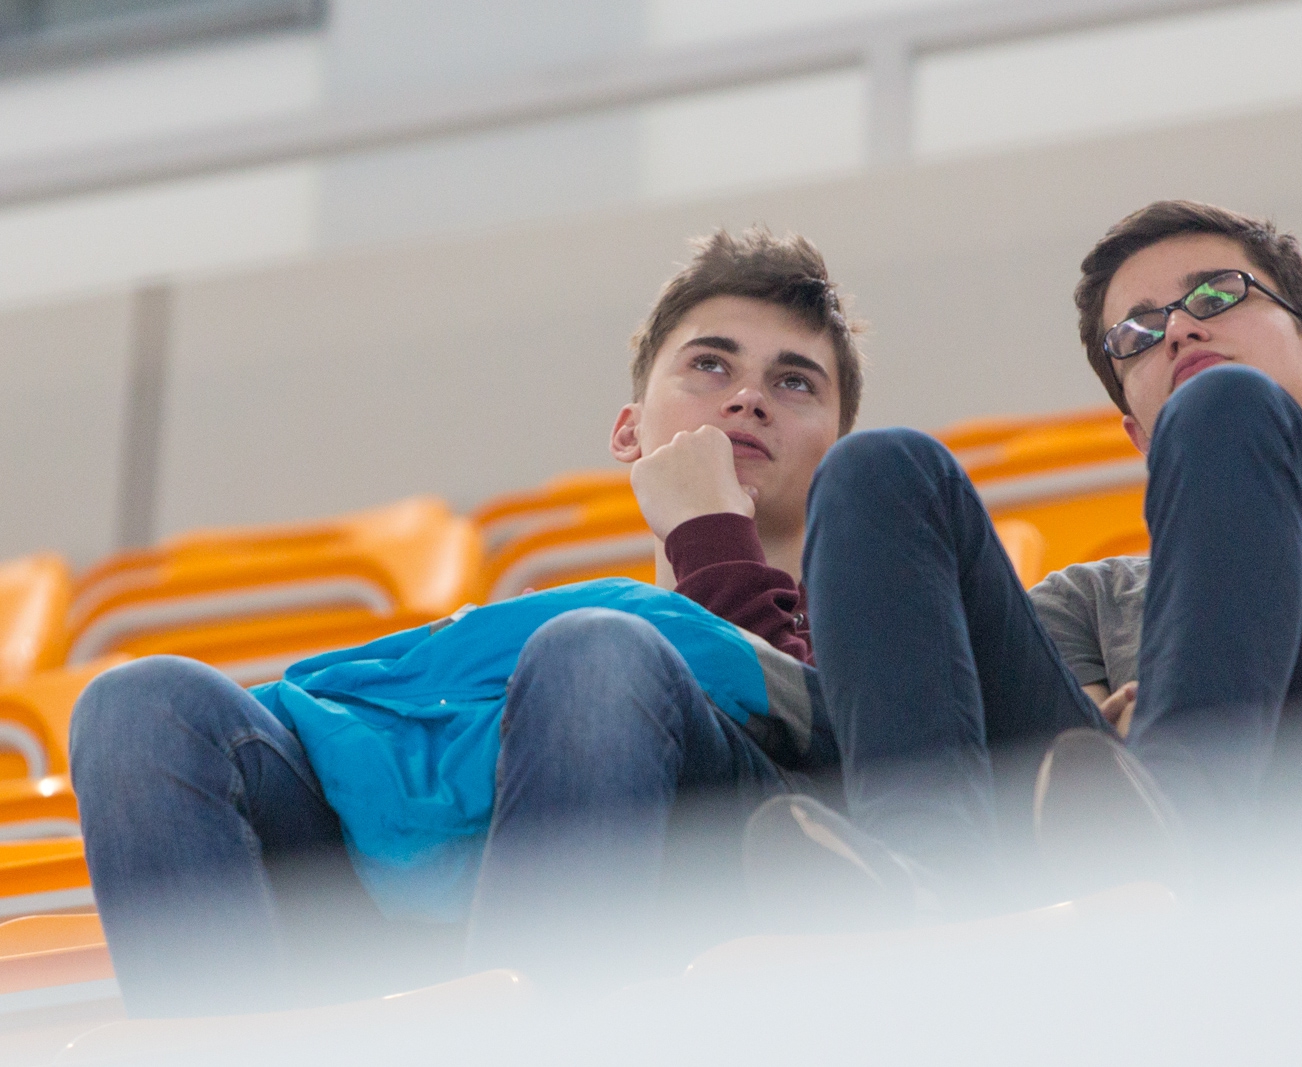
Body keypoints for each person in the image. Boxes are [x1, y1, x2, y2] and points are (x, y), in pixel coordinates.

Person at [70, 227, 865, 1015]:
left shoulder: (885, 631)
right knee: (139, 704)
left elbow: (864, 790)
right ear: (629, 432)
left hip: (733, 885)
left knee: (599, 651)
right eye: (710, 364)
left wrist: (710, 537)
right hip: (404, 912)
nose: (748, 397)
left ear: (839, 456)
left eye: (795, 383)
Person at [757, 201, 1302, 913]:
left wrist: (1275, 734)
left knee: (1230, 405)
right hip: (1132, 896)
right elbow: (1066, 788)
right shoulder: (1084, 600)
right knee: (875, 469)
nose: (1180, 327)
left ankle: (1180, 805)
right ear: (1133, 429)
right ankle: (925, 886)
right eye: (1137, 331)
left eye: (1217, 293)